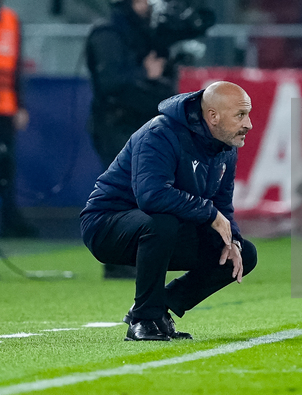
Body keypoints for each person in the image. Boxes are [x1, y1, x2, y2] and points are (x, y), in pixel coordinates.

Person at [80, 81, 258, 341]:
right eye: (241, 115)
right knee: (162, 222)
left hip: (162, 227)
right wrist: (209, 214)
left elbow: (222, 205)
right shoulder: (160, 133)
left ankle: (159, 306)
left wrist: (234, 240)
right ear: (213, 116)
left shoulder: (225, 147)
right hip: (106, 225)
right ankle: (144, 318)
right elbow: (152, 196)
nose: (249, 124)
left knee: (242, 253)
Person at [86, 0, 176, 278]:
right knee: (120, 193)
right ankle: (116, 261)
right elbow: (110, 80)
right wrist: (144, 73)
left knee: (143, 192)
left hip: (141, 123)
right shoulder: (107, 33)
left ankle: (135, 256)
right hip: (114, 123)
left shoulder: (147, 33)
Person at [0, 0, 38, 238]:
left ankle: (10, 219)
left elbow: (16, 68)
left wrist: (20, 105)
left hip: (7, 108)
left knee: (7, 166)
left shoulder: (11, 20)